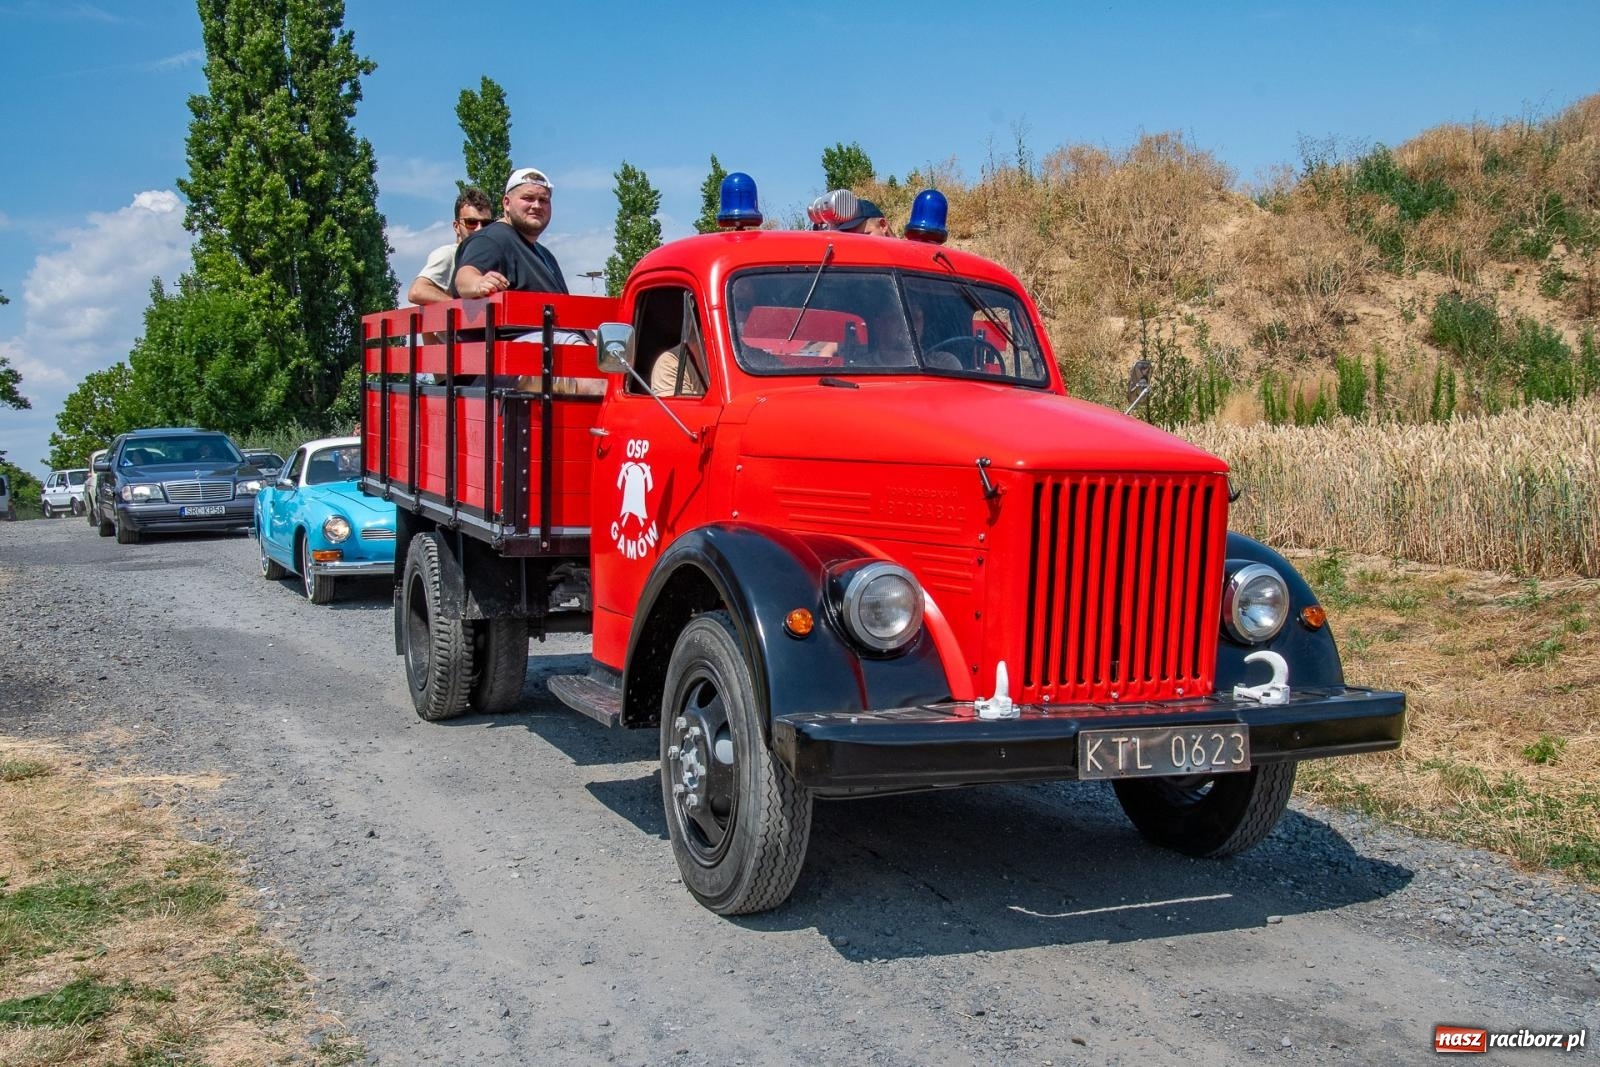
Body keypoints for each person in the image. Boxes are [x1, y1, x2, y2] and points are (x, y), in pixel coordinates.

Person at [451, 167, 568, 299]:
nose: (536, 206)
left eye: (543, 200)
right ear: (507, 203)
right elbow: (465, 277)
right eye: (528, 198)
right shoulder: (492, 239)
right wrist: (478, 283)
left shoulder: (546, 255)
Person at [407, 188, 495, 306]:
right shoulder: (448, 254)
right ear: (456, 226)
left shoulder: (491, 257)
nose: (479, 229)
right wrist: (461, 307)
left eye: (486, 224)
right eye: (471, 222)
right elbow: (417, 291)